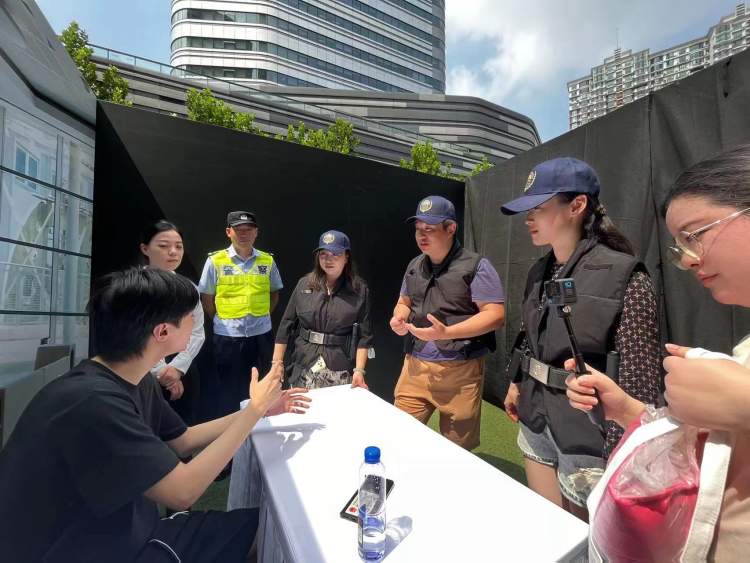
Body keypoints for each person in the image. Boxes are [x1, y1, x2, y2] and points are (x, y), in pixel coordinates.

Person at [0, 268, 309, 563]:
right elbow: (183, 491)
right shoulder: (91, 402)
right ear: (162, 331)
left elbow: (183, 440)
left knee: (269, 526)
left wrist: (259, 410)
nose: (196, 323)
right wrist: (253, 411)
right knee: (277, 533)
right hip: (99, 550)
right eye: (190, 317)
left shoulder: (134, 379)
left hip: (126, 531)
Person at [566, 144, 750, 558]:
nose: (687, 261)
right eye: (679, 246)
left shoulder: (626, 276)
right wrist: (627, 410)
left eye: (695, 235)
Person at [500, 157, 661, 520]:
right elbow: (529, 332)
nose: (528, 218)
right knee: (548, 522)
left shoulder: (626, 277)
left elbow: (640, 383)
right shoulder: (538, 271)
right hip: (535, 417)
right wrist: (515, 382)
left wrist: (619, 447)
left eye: (538, 208)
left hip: (587, 435)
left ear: (576, 205)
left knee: (588, 536)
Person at [390, 195, 505, 450]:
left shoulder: (477, 266)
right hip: (415, 366)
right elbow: (404, 302)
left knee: (457, 449)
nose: (421, 235)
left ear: (451, 228)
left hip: (460, 370)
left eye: (429, 229)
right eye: (418, 229)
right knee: (399, 437)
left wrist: (447, 332)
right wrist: (399, 317)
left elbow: (495, 315)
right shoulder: (414, 265)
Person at [199, 211, 283, 417]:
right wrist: (220, 319)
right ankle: (231, 429)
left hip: (261, 335)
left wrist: (262, 315)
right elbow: (207, 298)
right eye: (238, 230)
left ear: (256, 232)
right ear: (229, 232)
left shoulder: (267, 261)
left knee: (262, 386)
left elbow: (274, 293)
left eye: (248, 230)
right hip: (228, 336)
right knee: (228, 389)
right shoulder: (215, 261)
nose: (244, 234)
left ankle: (263, 425)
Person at [274, 230, 373, 389]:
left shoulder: (359, 290)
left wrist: (359, 370)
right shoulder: (304, 284)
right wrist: (277, 363)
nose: (328, 260)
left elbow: (364, 336)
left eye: (335, 254)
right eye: (323, 254)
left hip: (339, 368)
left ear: (346, 257)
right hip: (304, 365)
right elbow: (286, 325)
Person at [140, 220, 205, 424]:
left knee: (185, 426)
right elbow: (136, 333)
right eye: (163, 246)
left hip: (184, 368)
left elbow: (197, 332)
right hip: (142, 371)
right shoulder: (133, 286)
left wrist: (177, 368)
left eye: (178, 246)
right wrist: (160, 371)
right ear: (145, 248)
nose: (173, 252)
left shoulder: (190, 288)